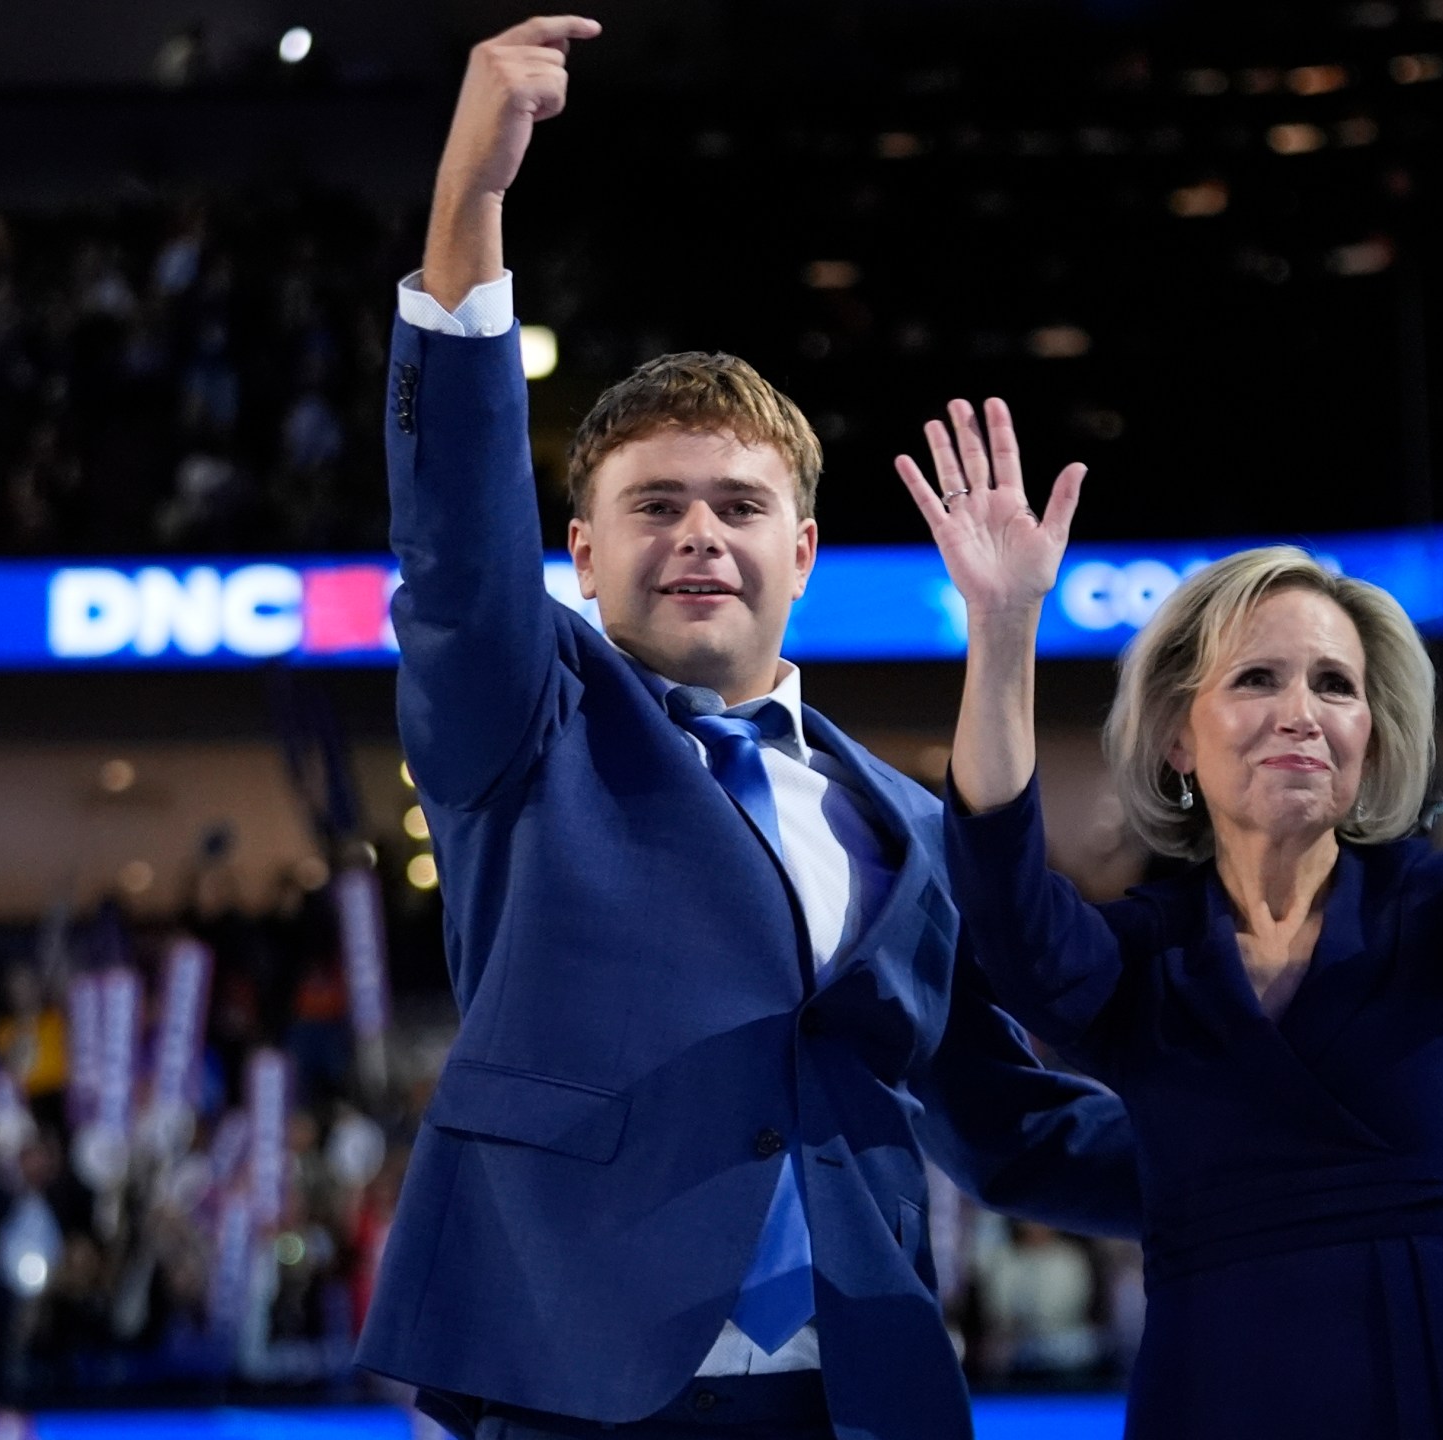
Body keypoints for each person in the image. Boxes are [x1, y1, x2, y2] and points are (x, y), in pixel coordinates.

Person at [353, 18, 1140, 1440]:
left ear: (808, 552)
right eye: (655, 506)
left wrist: (1269, 1143)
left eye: (740, 505)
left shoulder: (907, 829)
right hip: (573, 1397)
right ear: (582, 555)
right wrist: (469, 203)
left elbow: (1010, 1124)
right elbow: (460, 550)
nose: (700, 534)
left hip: (858, 1396)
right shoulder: (525, 735)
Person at [904, 279, 1443, 1438]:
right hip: (1224, 1393)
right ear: (1177, 735)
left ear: (1372, 742)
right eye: (1256, 679)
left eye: (1334, 685)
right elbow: (1008, 909)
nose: (1300, 712)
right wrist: (1004, 630)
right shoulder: (1135, 965)